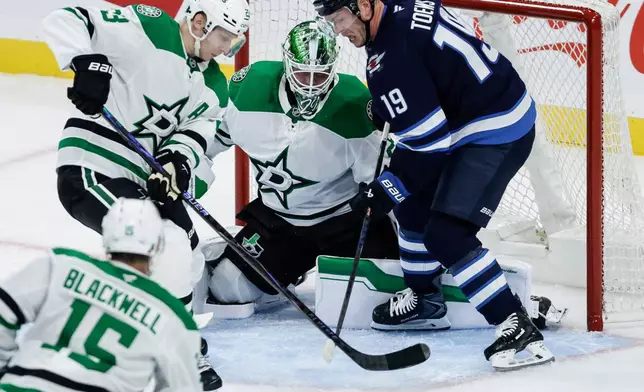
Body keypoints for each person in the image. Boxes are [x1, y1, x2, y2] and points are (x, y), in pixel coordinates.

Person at [313, 0, 554, 370]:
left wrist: (385, 189)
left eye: (339, 19)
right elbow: (432, 71)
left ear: (362, 5)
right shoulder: (401, 8)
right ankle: (425, 299)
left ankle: (514, 323)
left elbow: (429, 145)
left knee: (445, 234)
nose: (338, 30)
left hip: (496, 130)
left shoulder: (392, 62)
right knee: (410, 208)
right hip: (473, 109)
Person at [41, 0, 250, 388]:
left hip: (137, 180)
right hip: (90, 166)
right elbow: (69, 18)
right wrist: (85, 62)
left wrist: (176, 164)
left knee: (184, 245)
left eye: (234, 43)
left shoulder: (215, 85)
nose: (227, 49)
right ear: (200, 22)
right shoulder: (152, 28)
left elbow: (195, 136)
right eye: (224, 38)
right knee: (153, 239)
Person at [203, 20, 399, 308]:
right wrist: (182, 169)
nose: (308, 85)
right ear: (287, 63)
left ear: (332, 68)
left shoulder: (355, 105)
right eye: (301, 73)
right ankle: (288, 272)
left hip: (345, 225)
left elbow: (385, 184)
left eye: (318, 77)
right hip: (281, 224)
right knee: (228, 288)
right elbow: (203, 142)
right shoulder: (248, 90)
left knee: (380, 296)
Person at [0, 198, 202, 392]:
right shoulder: (175, 318)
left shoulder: (60, 265)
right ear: (158, 245)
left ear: (106, 235)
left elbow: (3, 307)